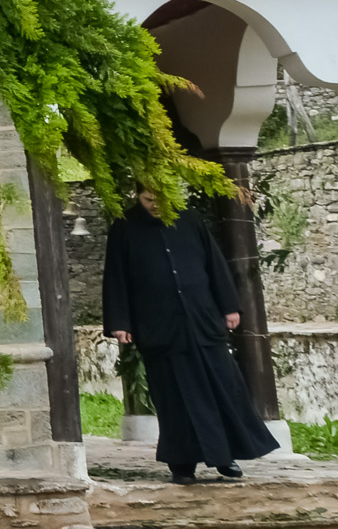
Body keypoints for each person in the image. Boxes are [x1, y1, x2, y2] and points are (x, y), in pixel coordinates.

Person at [101, 197, 278, 484]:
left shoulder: (190, 218)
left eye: (159, 196)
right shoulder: (125, 226)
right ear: (139, 194)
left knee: (221, 388)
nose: (155, 203)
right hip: (160, 327)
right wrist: (120, 323)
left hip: (202, 321)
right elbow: (116, 275)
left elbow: (214, 262)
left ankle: (226, 457)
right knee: (174, 397)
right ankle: (182, 463)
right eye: (149, 198)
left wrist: (229, 305)